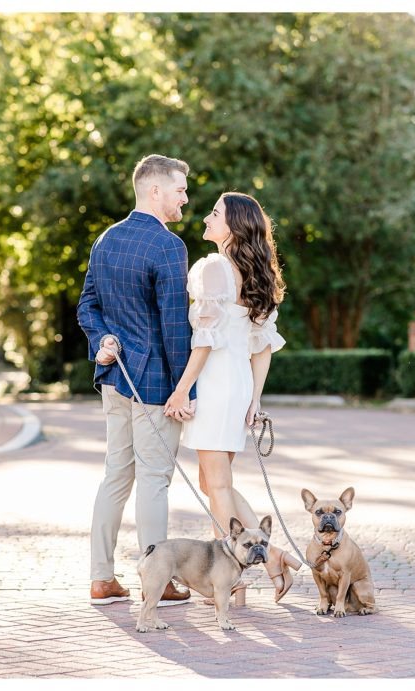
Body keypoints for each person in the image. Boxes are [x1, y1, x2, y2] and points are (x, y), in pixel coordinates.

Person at [162, 192, 302, 603]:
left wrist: (182, 388)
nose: (206, 218)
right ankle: (272, 557)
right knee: (214, 481)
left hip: (217, 382)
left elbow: (205, 341)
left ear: (234, 225)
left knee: (217, 484)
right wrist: (254, 399)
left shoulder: (215, 268)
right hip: (236, 384)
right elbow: (262, 347)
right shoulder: (255, 272)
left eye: (215, 213)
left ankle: (236, 573)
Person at [76, 154, 195, 607]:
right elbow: (174, 328)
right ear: (155, 191)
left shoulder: (106, 239)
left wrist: (103, 338)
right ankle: (158, 580)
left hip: (113, 378)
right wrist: (186, 390)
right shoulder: (168, 245)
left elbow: (87, 306)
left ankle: (101, 579)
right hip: (154, 385)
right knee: (154, 480)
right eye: (180, 189)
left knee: (116, 476)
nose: (185, 197)